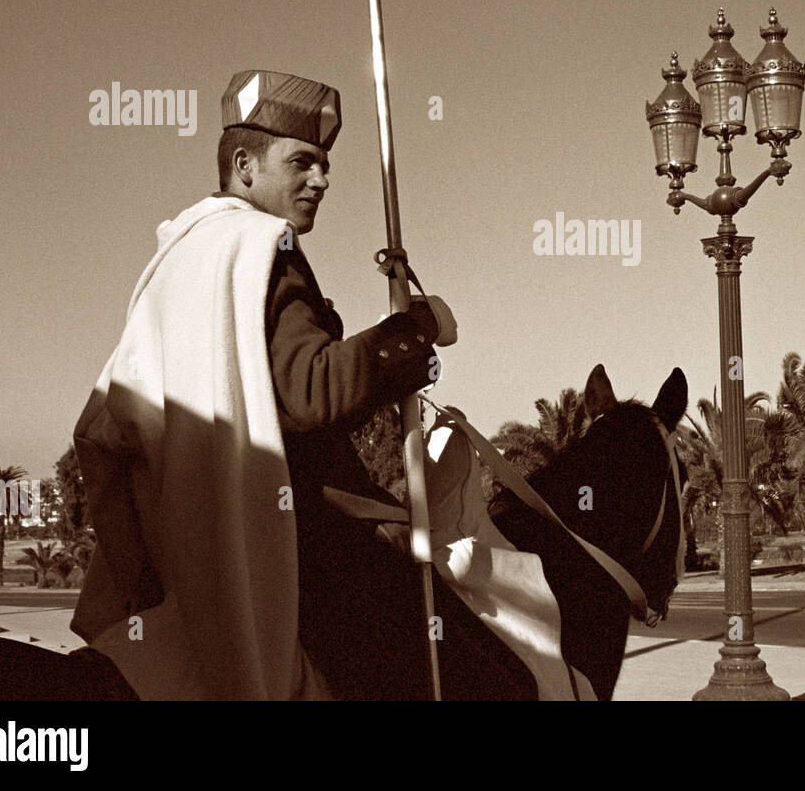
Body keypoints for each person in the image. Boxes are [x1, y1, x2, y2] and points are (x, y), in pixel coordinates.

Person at [69, 69, 531, 699]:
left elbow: (103, 433)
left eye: (326, 165)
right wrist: (415, 329)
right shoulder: (259, 247)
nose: (322, 179)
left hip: (182, 548)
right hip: (293, 537)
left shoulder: (176, 259)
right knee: (474, 671)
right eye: (303, 162)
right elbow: (311, 391)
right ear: (244, 164)